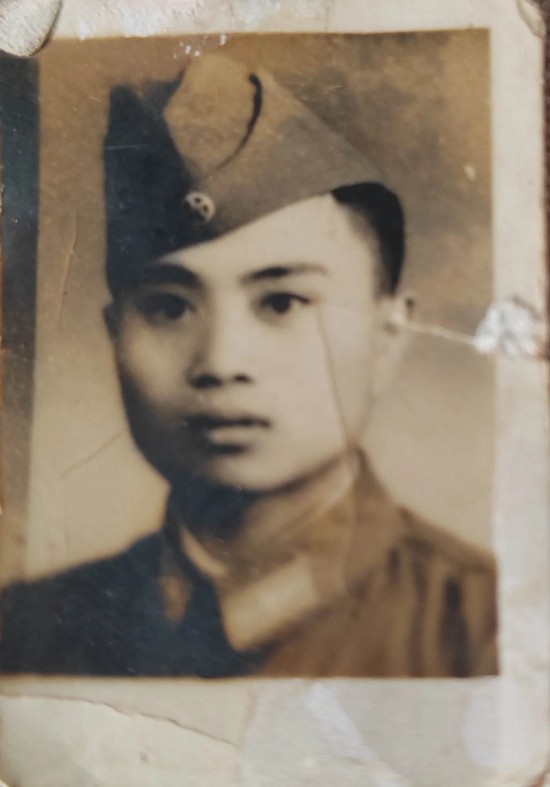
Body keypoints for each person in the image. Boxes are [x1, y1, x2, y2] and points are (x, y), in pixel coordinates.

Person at [0, 54, 497, 677]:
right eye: (169, 307)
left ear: (388, 335)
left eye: (282, 302)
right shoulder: (24, 633)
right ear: (114, 336)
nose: (222, 362)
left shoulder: (495, 633)